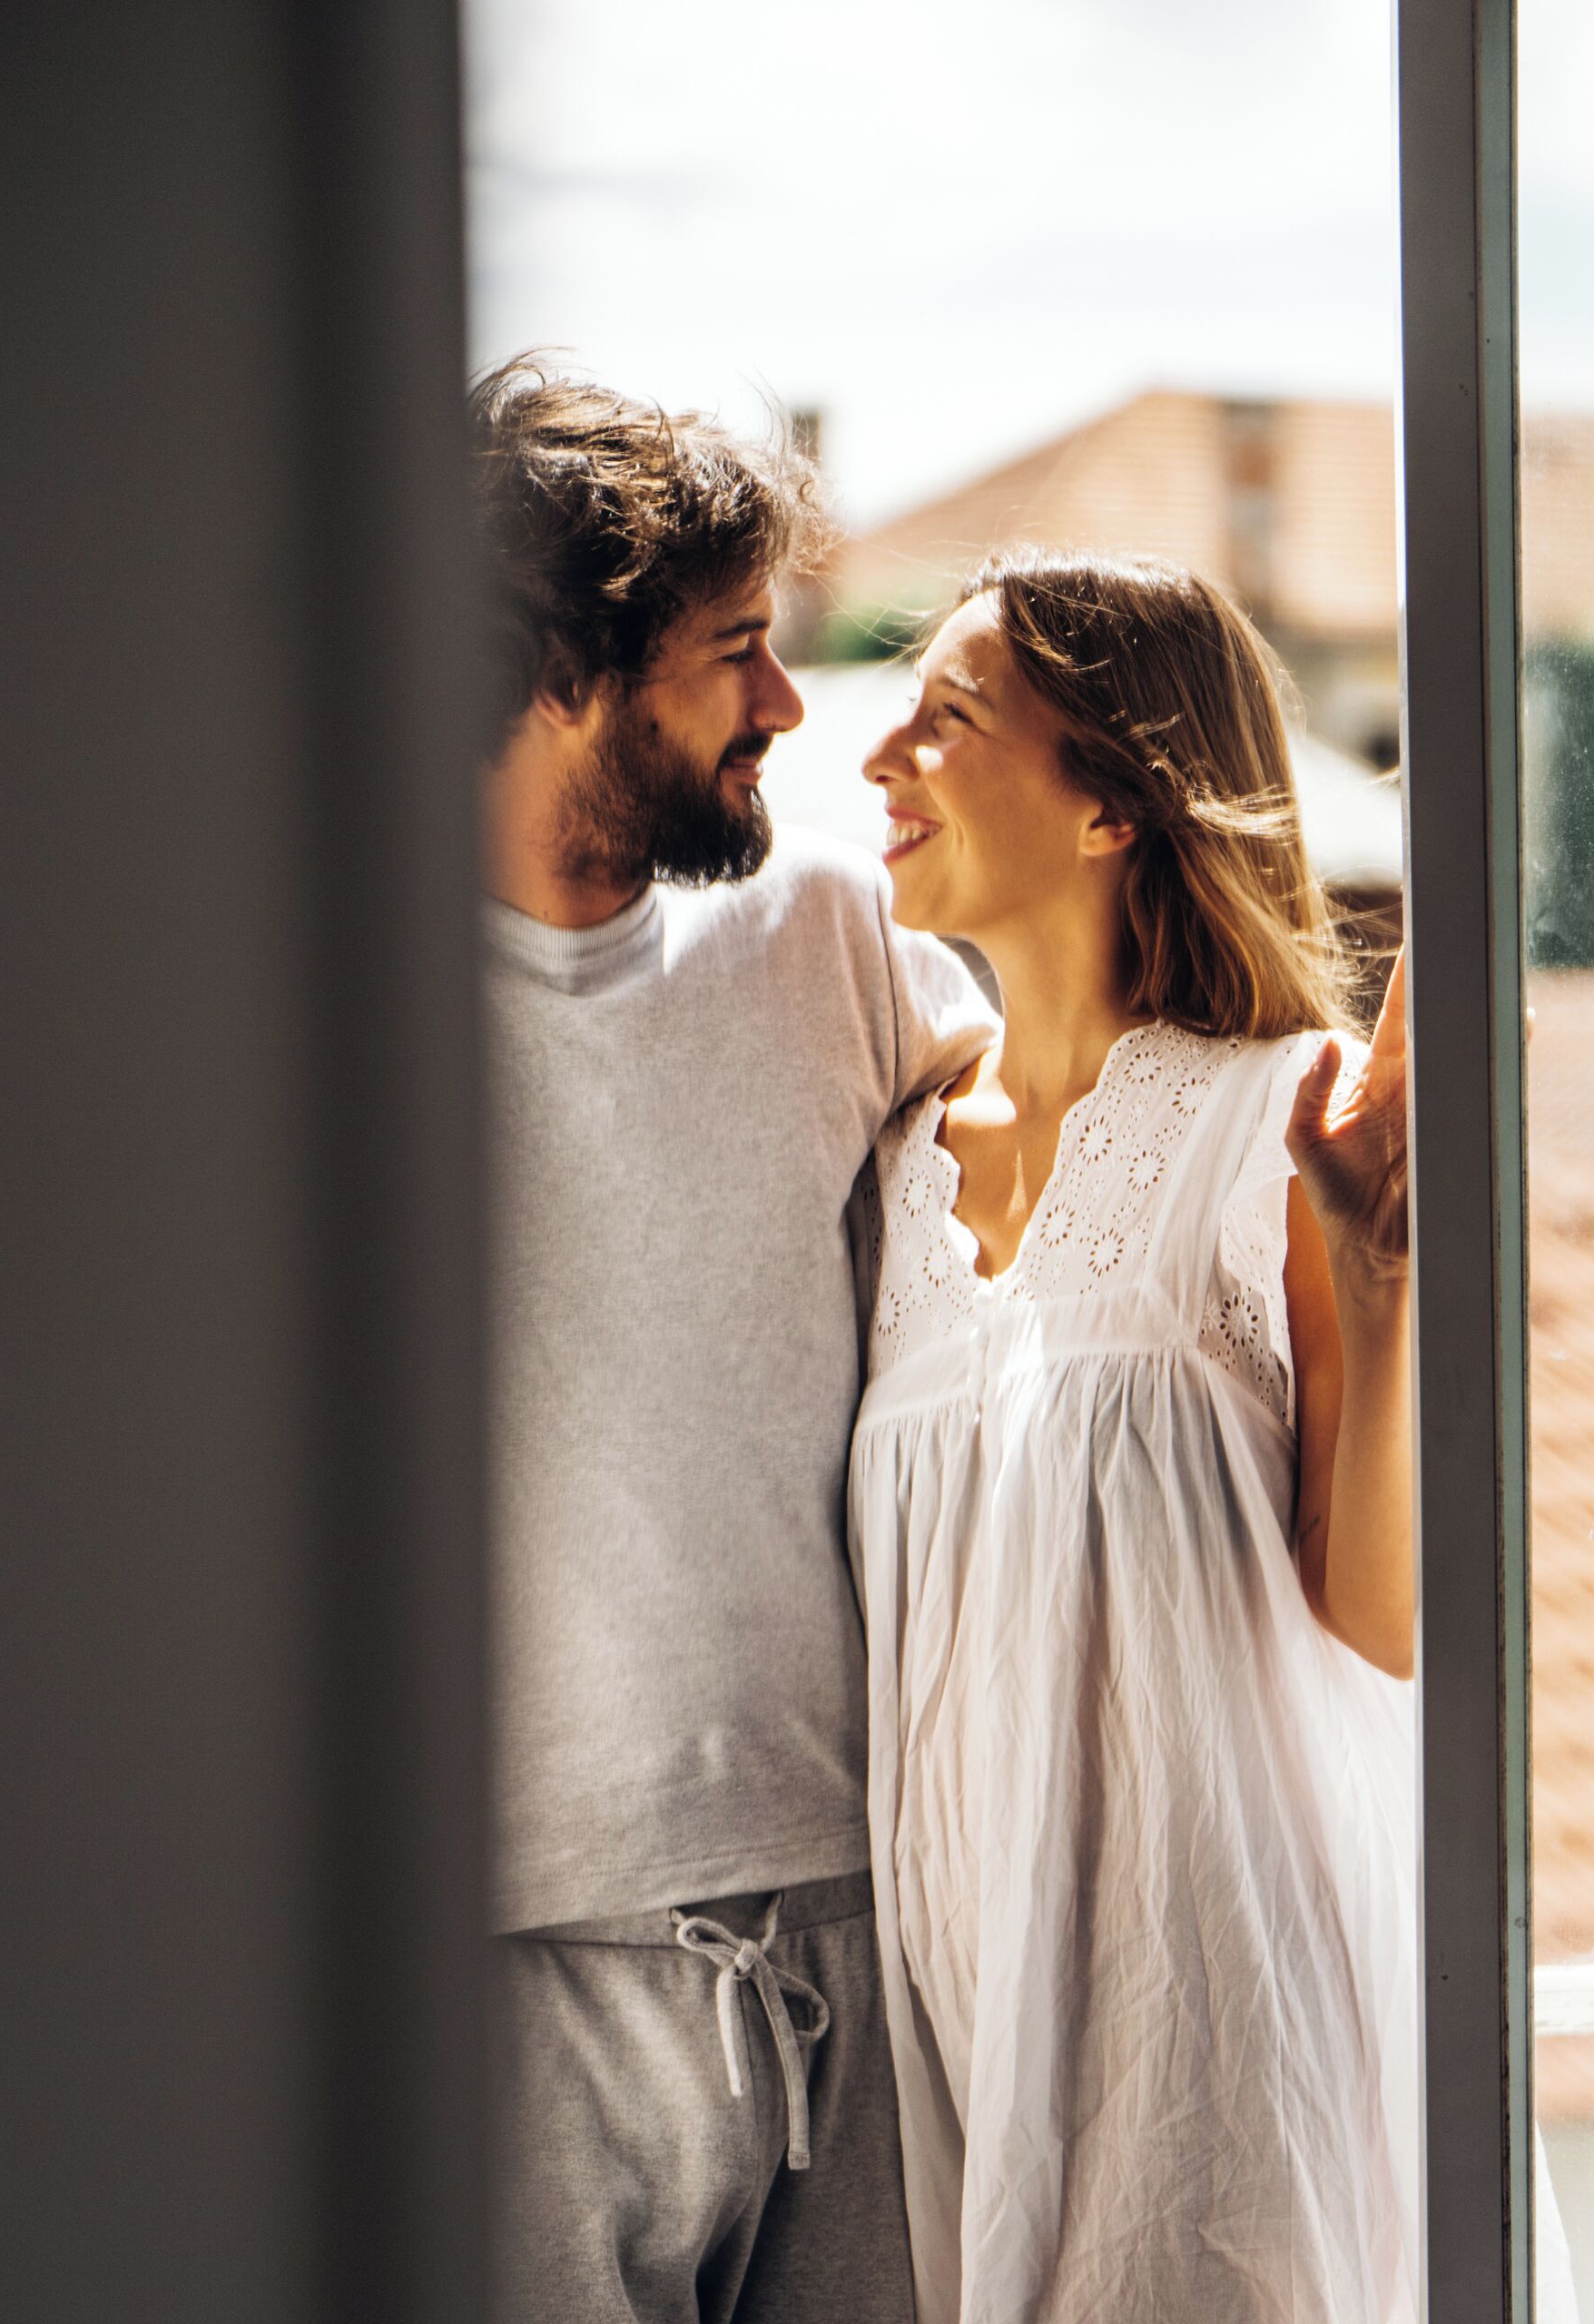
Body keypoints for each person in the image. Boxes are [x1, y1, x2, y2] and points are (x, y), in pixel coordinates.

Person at [850, 555, 1574, 2324]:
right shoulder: (889, 1166)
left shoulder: (1286, 1114)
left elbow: (1382, 1622)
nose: (882, 756)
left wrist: (1380, 1281)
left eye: (949, 717)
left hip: (1222, 2049)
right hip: (969, 2051)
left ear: (1113, 801)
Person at [474, 359, 995, 2321]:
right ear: (557, 668)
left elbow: (1090, 1153)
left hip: (855, 1925)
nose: (787, 702)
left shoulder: (831, 943)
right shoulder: (310, 1006)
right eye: (734, 650)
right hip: (508, 1966)